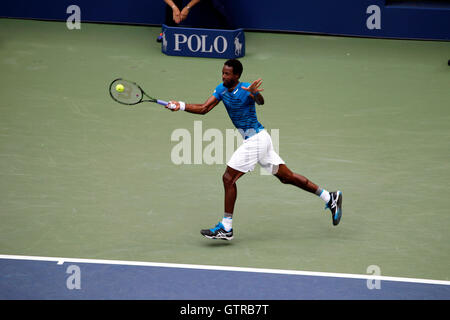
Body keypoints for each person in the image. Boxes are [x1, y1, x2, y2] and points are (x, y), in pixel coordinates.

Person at [166, 59, 343, 240]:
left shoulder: (246, 89)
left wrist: (255, 94)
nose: (223, 76)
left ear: (236, 76)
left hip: (256, 140)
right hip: (259, 139)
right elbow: (204, 108)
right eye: (223, 73)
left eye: (227, 74)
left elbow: (261, 101)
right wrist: (180, 105)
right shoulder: (220, 89)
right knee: (286, 177)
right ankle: (330, 197)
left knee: (228, 178)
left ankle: (226, 227)